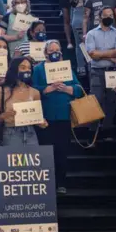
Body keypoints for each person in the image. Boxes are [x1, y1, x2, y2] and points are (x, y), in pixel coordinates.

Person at [33, 41, 84, 194]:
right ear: (45, 53)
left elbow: (79, 89)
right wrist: (46, 89)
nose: (55, 52)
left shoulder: (65, 67)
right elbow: (32, 89)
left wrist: (68, 89)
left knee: (62, 151)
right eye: (51, 50)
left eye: (57, 50)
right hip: (45, 117)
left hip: (64, 116)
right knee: (46, 150)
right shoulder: (38, 69)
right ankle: (47, 183)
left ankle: (61, 182)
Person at [85, 7, 116, 140]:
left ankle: (107, 132)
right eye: (106, 15)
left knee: (111, 101)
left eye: (111, 15)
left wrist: (100, 54)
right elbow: (91, 54)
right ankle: (93, 133)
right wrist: (109, 55)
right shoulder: (91, 34)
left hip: (113, 72)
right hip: (96, 71)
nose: (109, 17)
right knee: (95, 100)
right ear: (100, 16)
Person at [0, 57, 48, 146]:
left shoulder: (35, 92)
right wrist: (4, 115)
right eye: (23, 67)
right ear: (14, 69)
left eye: (29, 68)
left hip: (31, 133)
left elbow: (38, 117)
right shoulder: (0, 91)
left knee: (31, 159)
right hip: (10, 133)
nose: (27, 70)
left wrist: (42, 122)